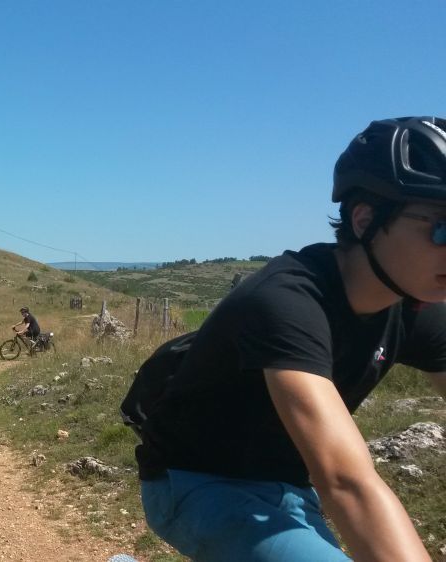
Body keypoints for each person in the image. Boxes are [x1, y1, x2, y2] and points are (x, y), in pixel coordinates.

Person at [128, 116, 446, 561]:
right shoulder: (285, 300)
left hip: (289, 487)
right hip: (194, 481)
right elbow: (347, 483)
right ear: (365, 219)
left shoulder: (413, 308)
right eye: (442, 228)